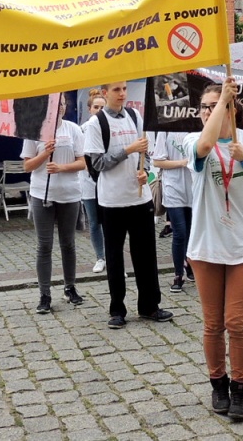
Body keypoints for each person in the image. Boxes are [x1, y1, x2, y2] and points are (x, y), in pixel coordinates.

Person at [184, 79, 243, 420]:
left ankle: (240, 388)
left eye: (216, 105)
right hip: (207, 245)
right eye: (204, 107)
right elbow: (206, 145)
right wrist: (222, 98)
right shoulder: (192, 140)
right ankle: (218, 383)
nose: (209, 111)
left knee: (237, 323)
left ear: (234, 110)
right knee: (213, 324)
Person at [83, 81, 173, 329]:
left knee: (146, 255)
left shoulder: (134, 116)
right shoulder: (96, 124)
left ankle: (149, 306)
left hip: (139, 197)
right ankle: (117, 310)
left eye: (124, 89)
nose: (123, 94)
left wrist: (144, 171)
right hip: (112, 200)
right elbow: (98, 164)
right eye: (116, 90)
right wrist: (128, 149)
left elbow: (145, 155)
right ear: (104, 92)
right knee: (114, 257)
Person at [21, 95, 86, 314]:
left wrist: (61, 168)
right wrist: (44, 154)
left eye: (62, 104)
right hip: (42, 194)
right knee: (44, 245)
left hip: (69, 194)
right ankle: (45, 294)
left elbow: (82, 162)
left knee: (68, 244)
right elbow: (27, 166)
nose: (58, 107)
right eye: (53, 104)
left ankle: (70, 287)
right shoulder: (33, 129)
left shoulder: (73, 129)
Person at [153, 130, 194, 291]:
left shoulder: (198, 127)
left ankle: (189, 263)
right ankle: (178, 274)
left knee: (191, 233)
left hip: (194, 188)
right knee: (180, 232)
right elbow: (158, 161)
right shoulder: (166, 130)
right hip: (173, 187)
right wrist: (182, 163)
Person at [81, 90, 107, 273]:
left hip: (108, 182)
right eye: (96, 107)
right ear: (89, 109)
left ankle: (113, 257)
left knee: (110, 222)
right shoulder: (83, 129)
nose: (99, 110)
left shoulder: (111, 128)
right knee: (94, 222)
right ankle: (100, 257)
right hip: (89, 183)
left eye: (102, 107)